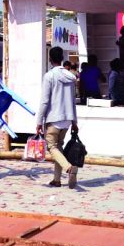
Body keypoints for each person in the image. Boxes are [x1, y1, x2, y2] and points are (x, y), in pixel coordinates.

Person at [36, 46, 80, 189]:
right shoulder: (70, 77)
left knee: (52, 147)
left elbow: (44, 101)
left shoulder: (49, 76)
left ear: (50, 60)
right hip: (67, 119)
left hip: (53, 118)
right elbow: (73, 100)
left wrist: (38, 121)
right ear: (62, 59)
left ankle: (68, 168)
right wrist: (74, 121)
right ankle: (56, 179)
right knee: (59, 147)